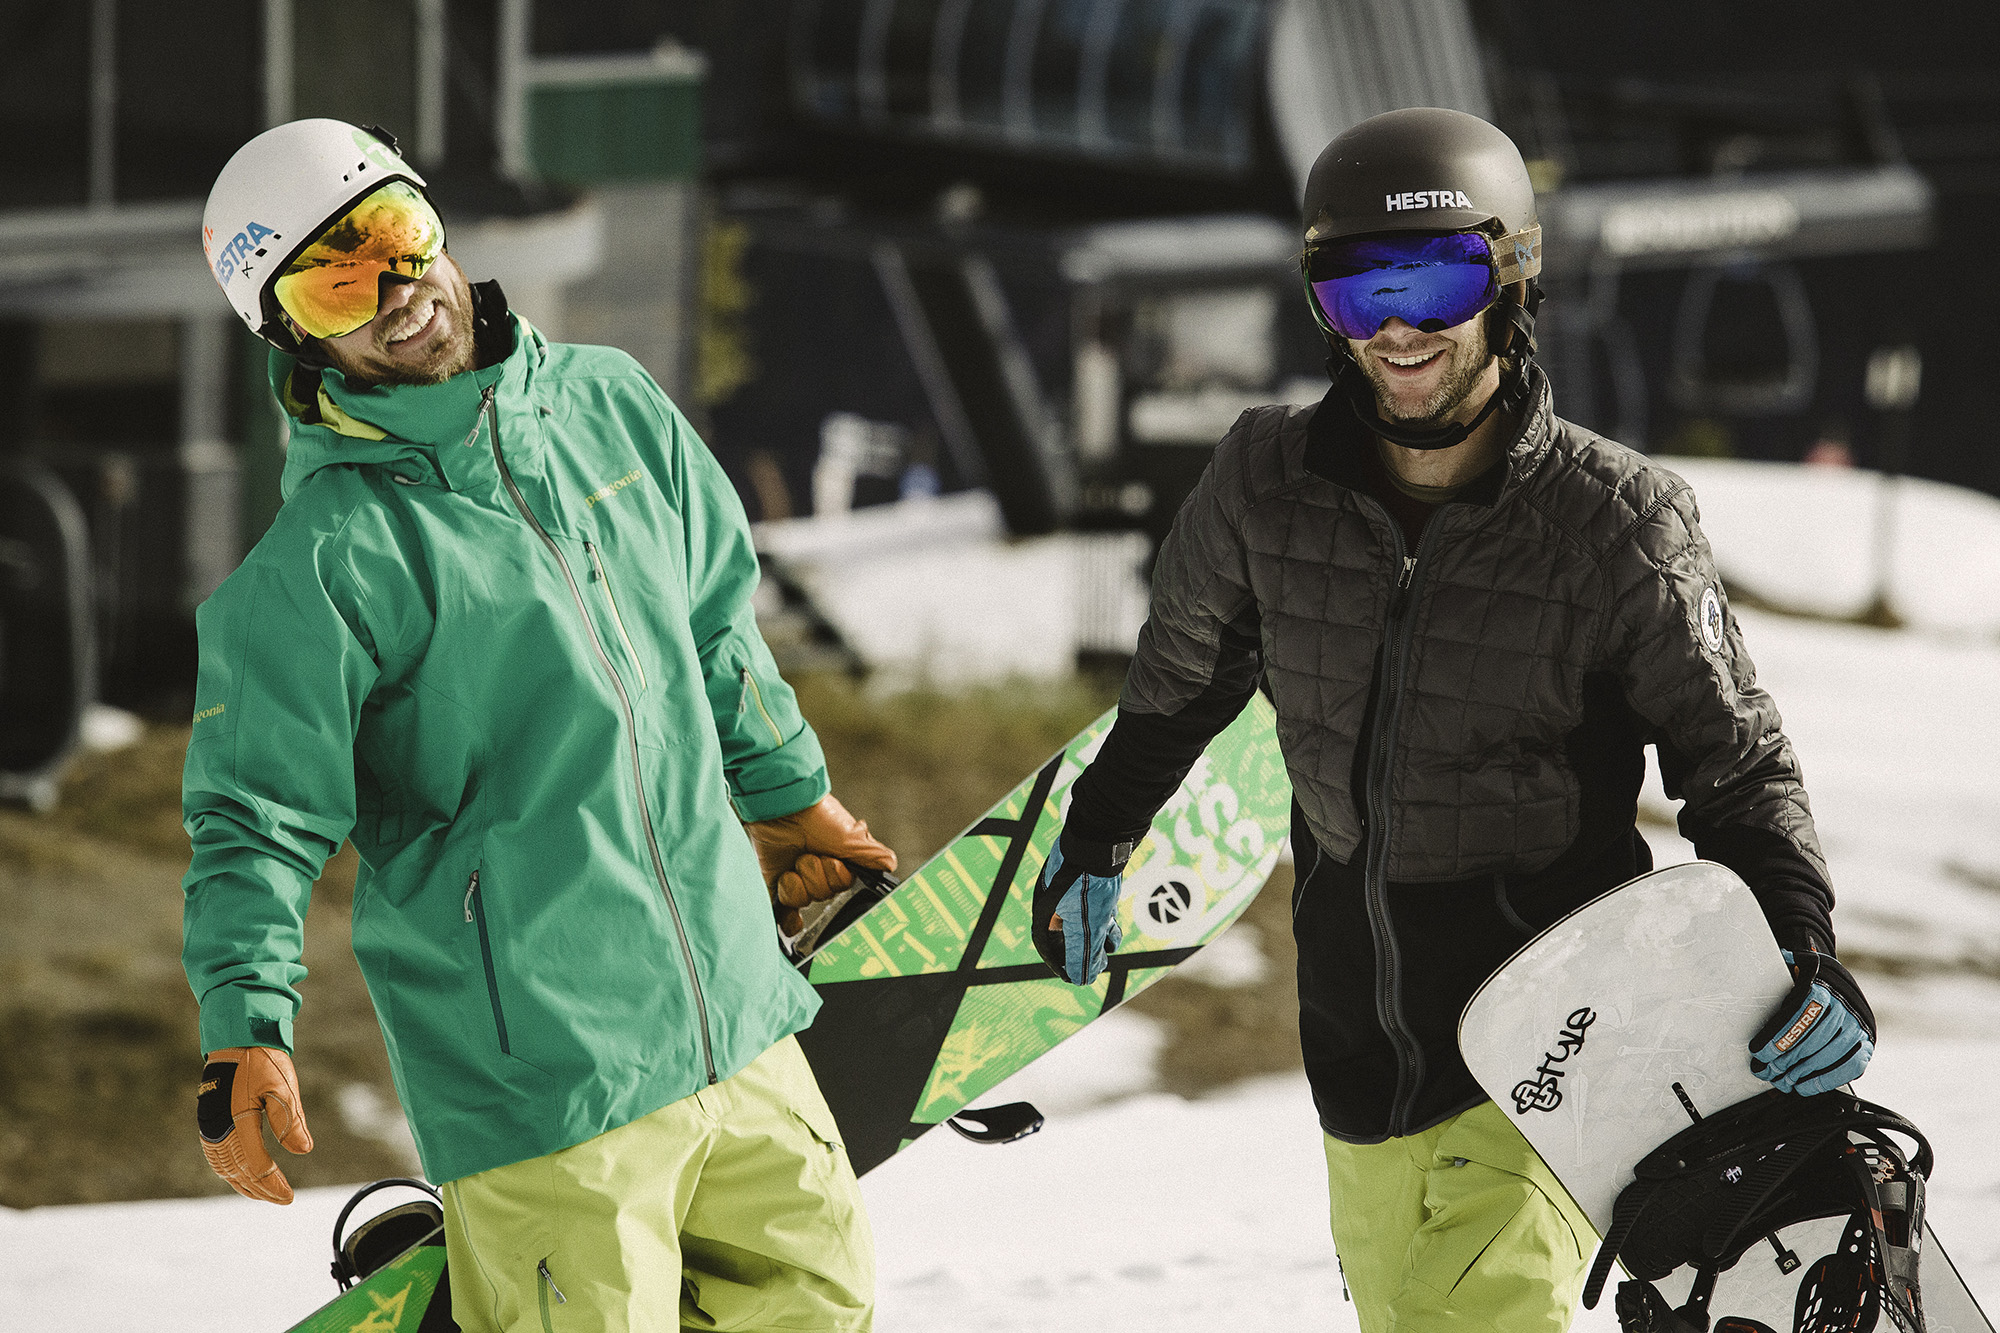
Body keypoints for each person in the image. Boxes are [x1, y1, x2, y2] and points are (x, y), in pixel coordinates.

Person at [1030, 107, 1875, 1333]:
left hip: (1556, 1035)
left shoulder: (1616, 521)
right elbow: (1179, 686)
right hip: (1355, 1042)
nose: (1396, 329)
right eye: (1353, 291)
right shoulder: (1261, 484)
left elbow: (1734, 768)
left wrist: (1800, 952)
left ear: (1509, 277)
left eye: (1433, 281)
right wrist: (1095, 837)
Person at [185, 119, 891, 1332]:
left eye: (392, 237)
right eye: (332, 280)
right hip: (549, 1081)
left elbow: (715, 628)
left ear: (433, 220)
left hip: (740, 1015)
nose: (394, 292)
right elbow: (255, 817)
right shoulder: (324, 562)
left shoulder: (611, 405)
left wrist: (786, 795)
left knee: (824, 1311)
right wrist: (245, 1020)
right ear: (292, 334)